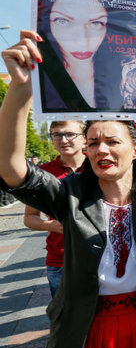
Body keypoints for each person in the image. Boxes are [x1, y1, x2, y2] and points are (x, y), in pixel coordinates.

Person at [0, 30, 136, 348]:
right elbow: (11, 169)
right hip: (90, 331)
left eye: (112, 141)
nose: (101, 150)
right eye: (92, 142)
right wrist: (20, 91)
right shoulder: (70, 193)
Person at [37, 0, 136, 112]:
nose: (83, 41)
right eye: (62, 21)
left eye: (96, 23)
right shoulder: (40, 82)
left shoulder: (131, 74)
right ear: (47, 24)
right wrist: (20, 86)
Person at [23, 120, 86, 298]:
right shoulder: (41, 173)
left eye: (70, 134)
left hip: (102, 257)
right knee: (65, 320)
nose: (63, 139)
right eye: (57, 135)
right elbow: (29, 217)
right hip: (61, 260)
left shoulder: (100, 166)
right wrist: (50, 226)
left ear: (84, 139)